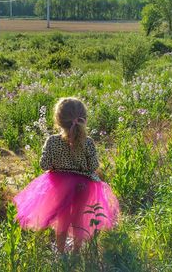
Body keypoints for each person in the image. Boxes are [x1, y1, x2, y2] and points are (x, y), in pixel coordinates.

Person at [13, 97, 120, 254]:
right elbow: (93, 166)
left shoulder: (52, 141)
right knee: (79, 217)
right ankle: (76, 251)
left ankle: (61, 252)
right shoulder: (88, 142)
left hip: (59, 185)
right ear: (84, 119)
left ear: (58, 120)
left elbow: (44, 165)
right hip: (84, 185)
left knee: (63, 219)